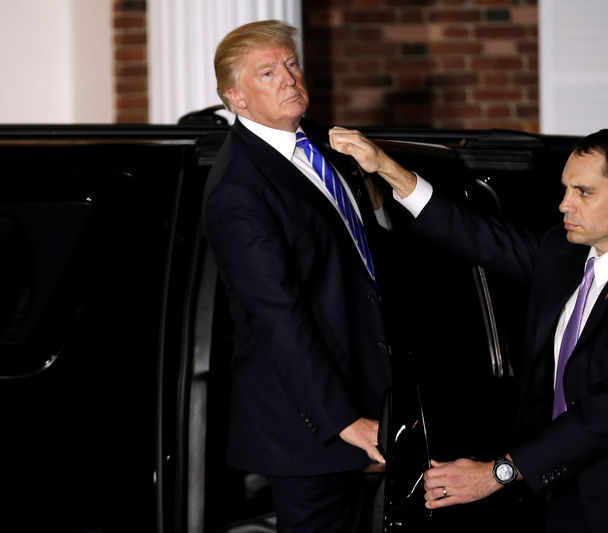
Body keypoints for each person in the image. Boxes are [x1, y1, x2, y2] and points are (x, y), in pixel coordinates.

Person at [329, 126, 608, 533]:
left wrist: (497, 473)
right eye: (565, 189)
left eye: (583, 192)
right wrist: (387, 168)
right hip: (553, 492)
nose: (565, 204)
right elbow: (473, 234)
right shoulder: (562, 252)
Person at [202, 21, 391, 533]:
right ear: (235, 97)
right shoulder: (238, 188)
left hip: (369, 394)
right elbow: (276, 317)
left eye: (290, 64)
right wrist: (342, 419)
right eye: (268, 72)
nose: (288, 78)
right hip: (311, 426)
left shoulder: (327, 147)